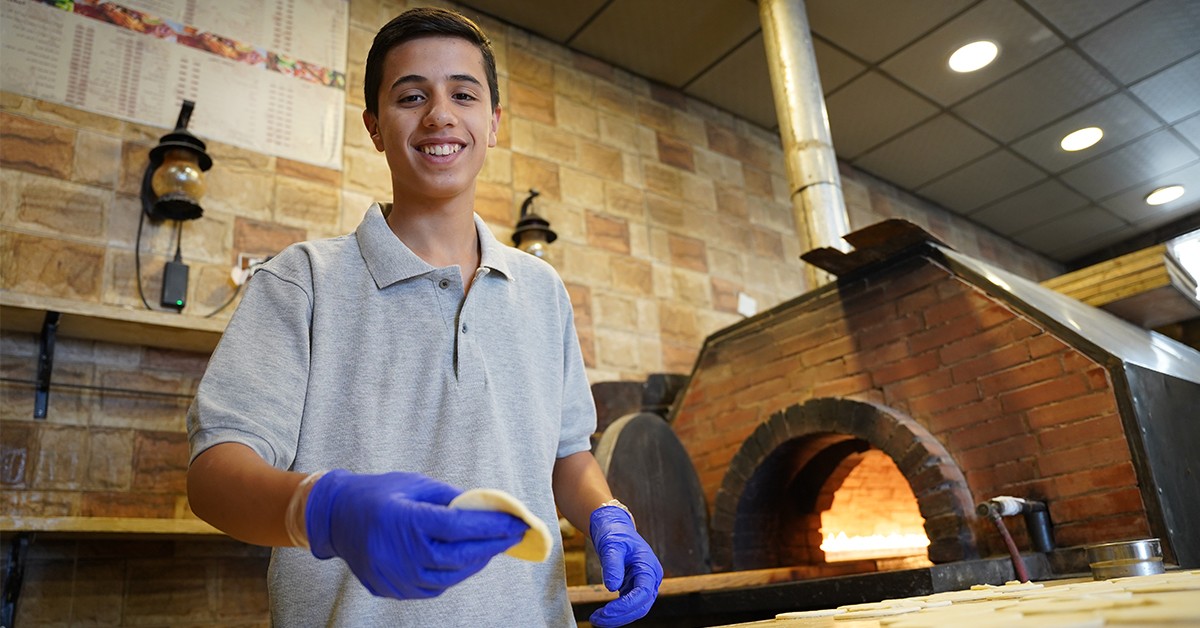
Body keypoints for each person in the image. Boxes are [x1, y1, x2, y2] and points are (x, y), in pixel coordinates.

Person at [185, 6, 662, 627]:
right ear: (375, 127)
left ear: (493, 122)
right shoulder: (302, 282)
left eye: (463, 94)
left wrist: (607, 513)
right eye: (411, 96)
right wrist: (324, 509)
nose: (440, 114)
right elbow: (215, 476)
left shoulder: (542, 291)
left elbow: (566, 456)